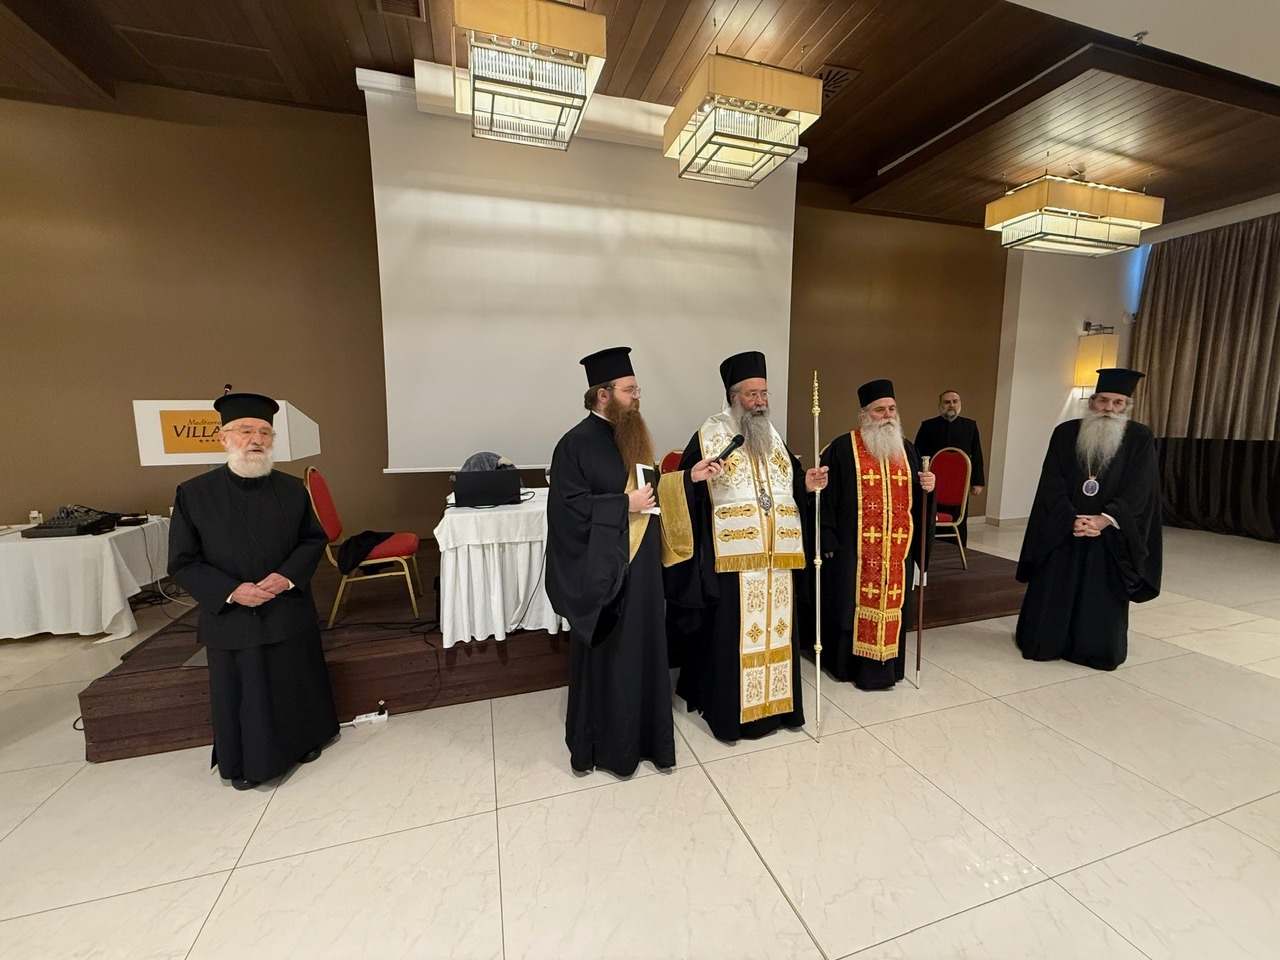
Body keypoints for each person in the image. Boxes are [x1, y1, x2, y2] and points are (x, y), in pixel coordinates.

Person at [546, 347, 720, 775]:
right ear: (603, 394)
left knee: (645, 647)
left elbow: (652, 490)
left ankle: (648, 739)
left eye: (637, 389)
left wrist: (689, 478)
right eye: (629, 390)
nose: (637, 397)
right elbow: (567, 509)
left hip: (642, 569)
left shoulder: (633, 436)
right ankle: (607, 747)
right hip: (605, 573)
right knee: (613, 653)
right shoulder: (574, 444)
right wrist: (622, 505)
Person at [168, 392, 338, 790]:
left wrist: (287, 576)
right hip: (233, 615)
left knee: (294, 679)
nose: (256, 439)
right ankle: (248, 762)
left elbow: (313, 540)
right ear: (223, 438)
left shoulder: (292, 489)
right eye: (246, 431)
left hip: (286, 606)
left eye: (264, 432)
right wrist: (232, 591)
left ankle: (305, 740)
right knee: (246, 692)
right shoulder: (194, 493)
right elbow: (182, 562)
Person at [665, 351, 827, 742]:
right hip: (732, 564)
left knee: (779, 634)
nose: (760, 402)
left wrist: (806, 485)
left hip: (778, 561)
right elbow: (686, 491)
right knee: (731, 638)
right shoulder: (710, 434)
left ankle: (780, 710)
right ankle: (732, 717)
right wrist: (695, 482)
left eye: (764, 393)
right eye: (752, 394)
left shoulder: (773, 437)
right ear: (733, 396)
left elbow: (787, 487)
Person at [1015, 368, 1162, 670]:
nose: (1109, 409)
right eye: (1103, 401)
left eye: (1118, 403)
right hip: (1063, 528)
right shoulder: (1065, 433)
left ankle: (1094, 650)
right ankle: (1045, 641)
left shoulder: (1139, 437)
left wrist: (1104, 520)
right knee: (1054, 587)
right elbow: (1051, 482)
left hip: (1109, 534)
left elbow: (1141, 487)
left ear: (1127, 406)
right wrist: (1070, 518)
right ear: (1091, 401)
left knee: (1100, 594)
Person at [820, 380, 935, 690]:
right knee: (849, 604)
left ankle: (889, 669)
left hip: (896, 553)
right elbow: (826, 499)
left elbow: (919, 499)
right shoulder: (842, 448)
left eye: (892, 409)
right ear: (864, 414)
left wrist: (930, 488)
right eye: (879, 410)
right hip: (853, 550)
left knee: (894, 604)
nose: (887, 415)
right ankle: (848, 667)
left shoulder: (907, 449)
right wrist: (827, 537)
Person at [914, 390, 984, 547]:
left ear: (960, 404)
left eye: (955, 401)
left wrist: (977, 482)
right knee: (931, 517)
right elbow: (918, 455)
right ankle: (932, 549)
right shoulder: (927, 426)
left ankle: (957, 549)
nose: (951, 405)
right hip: (933, 484)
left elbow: (976, 455)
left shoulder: (970, 426)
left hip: (960, 484)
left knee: (958, 518)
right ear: (940, 405)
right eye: (947, 402)